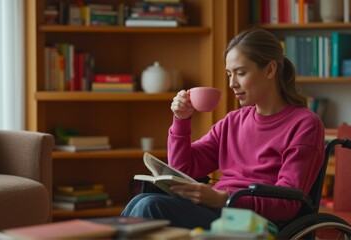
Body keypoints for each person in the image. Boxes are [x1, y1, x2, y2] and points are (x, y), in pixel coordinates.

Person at [121, 27, 325, 230]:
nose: (232, 83)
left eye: (241, 73)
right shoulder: (233, 121)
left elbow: (287, 204)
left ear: (270, 70)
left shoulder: (304, 124)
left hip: (258, 223)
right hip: (219, 211)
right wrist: (181, 120)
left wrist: (223, 199)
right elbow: (184, 168)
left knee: (150, 205)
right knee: (140, 201)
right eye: (229, 74)